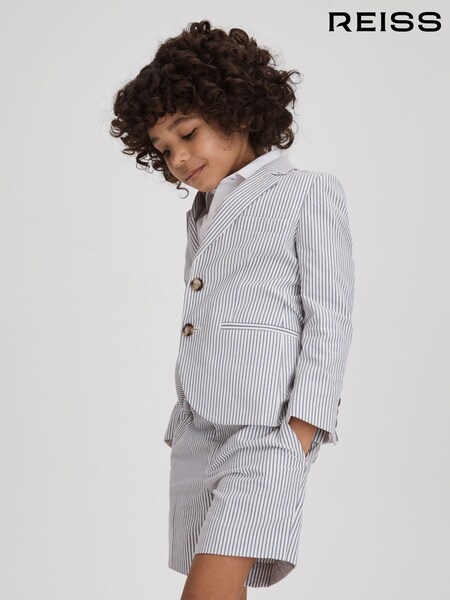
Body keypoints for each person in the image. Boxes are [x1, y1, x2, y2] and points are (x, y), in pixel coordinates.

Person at [110, 19, 354, 600]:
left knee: (209, 588)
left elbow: (329, 319)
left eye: (187, 134)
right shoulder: (200, 213)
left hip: (267, 430)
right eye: (164, 150)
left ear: (236, 111)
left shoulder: (307, 192)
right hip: (198, 431)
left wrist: (301, 431)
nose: (177, 158)